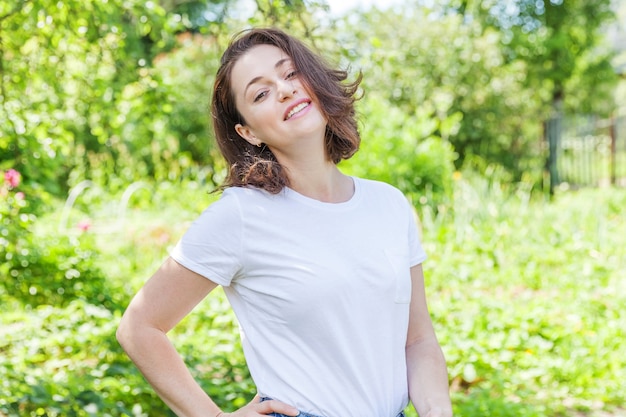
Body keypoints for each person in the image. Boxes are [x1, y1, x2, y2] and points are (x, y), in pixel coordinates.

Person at [116, 27, 452, 417]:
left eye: (291, 73)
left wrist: (436, 409)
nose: (285, 89)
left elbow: (417, 339)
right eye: (260, 93)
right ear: (249, 132)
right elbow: (139, 328)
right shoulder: (241, 215)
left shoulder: (389, 204)